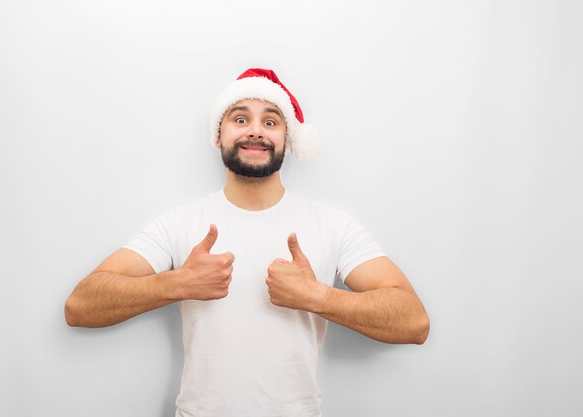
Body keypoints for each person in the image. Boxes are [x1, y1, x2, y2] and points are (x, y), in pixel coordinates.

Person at [64, 68, 430, 417]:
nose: (255, 131)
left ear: (287, 139)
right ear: (218, 135)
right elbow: (80, 306)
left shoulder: (332, 225)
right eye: (240, 119)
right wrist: (176, 284)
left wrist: (315, 296)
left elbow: (413, 322)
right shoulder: (180, 223)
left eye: (270, 121)